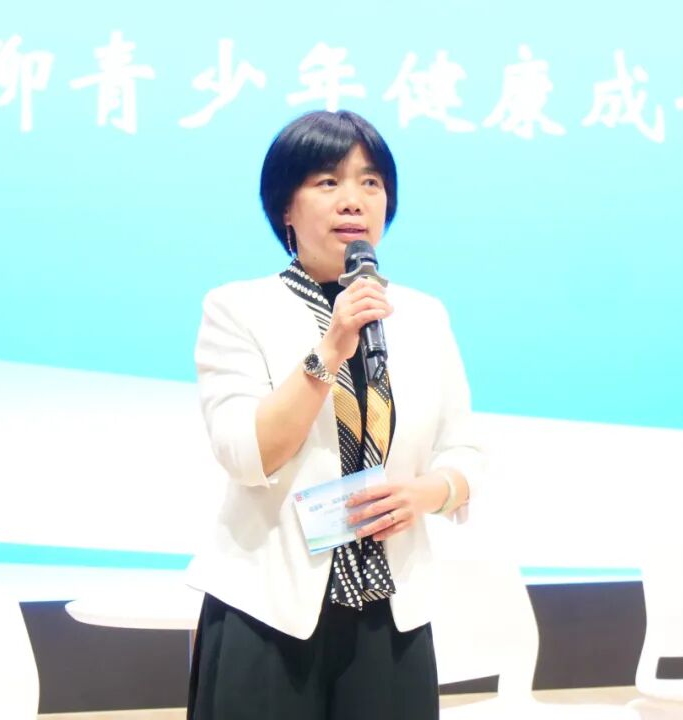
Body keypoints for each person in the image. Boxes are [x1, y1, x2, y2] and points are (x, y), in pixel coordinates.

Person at [185, 109, 485, 720]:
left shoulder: (422, 316)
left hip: (389, 610)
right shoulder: (238, 308)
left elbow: (464, 451)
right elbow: (246, 455)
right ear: (285, 208)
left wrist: (428, 492)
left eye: (370, 182)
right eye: (328, 181)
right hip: (270, 608)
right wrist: (329, 352)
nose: (353, 199)